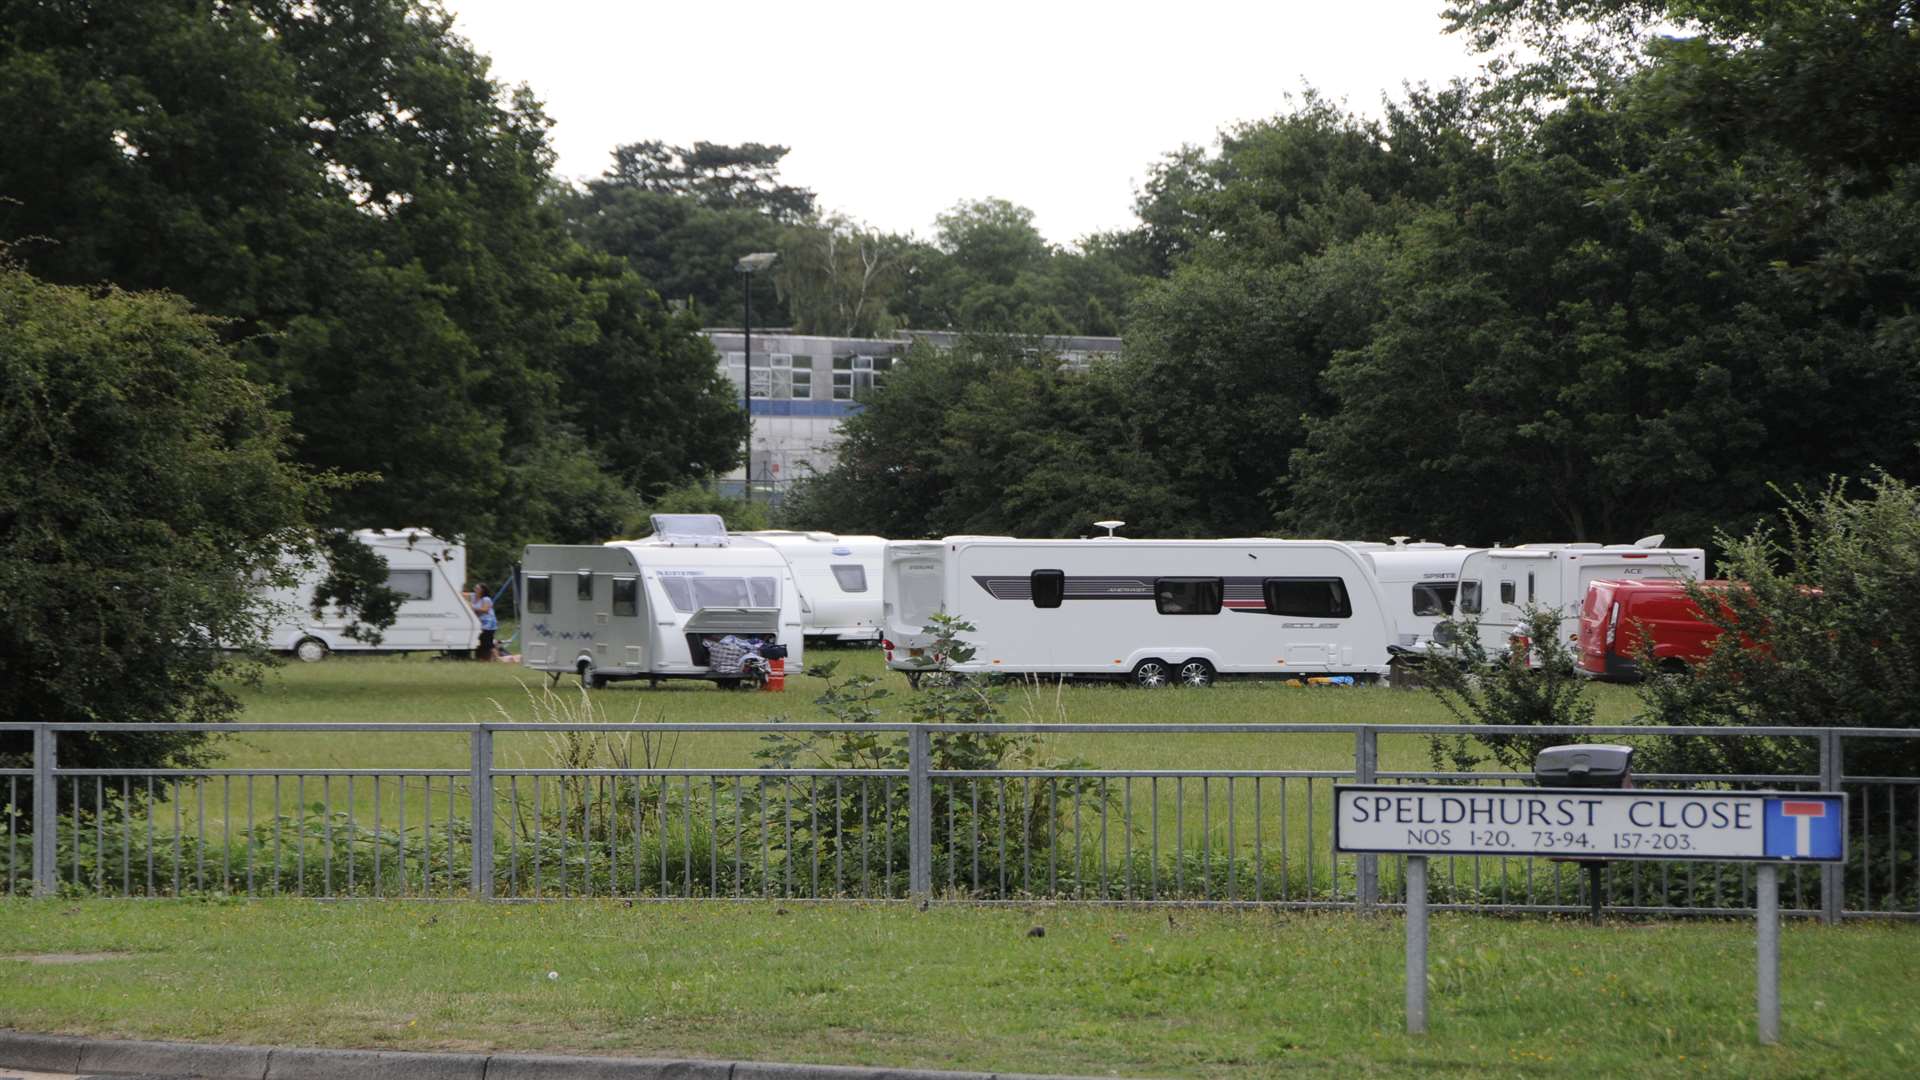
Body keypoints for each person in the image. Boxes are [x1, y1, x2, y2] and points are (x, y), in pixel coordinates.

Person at [471, 583, 497, 660]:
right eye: (475, 588)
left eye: (477, 588)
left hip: (489, 624)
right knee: (481, 641)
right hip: (480, 623)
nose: (475, 589)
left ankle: (497, 658)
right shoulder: (473, 597)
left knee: (488, 643)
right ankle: (483, 658)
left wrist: (472, 608)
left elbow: (485, 609)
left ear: (482, 590)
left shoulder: (486, 599)